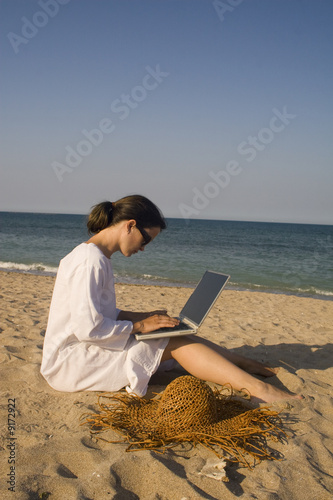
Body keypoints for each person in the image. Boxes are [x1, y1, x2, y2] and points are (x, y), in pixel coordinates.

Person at [41, 195, 302, 404]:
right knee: (173, 342)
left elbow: (102, 312)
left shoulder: (97, 257)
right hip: (71, 363)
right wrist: (141, 327)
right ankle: (259, 389)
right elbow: (88, 329)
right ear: (130, 225)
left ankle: (244, 364)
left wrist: (143, 316)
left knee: (175, 331)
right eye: (146, 240)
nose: (143, 248)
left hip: (85, 350)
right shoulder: (90, 261)